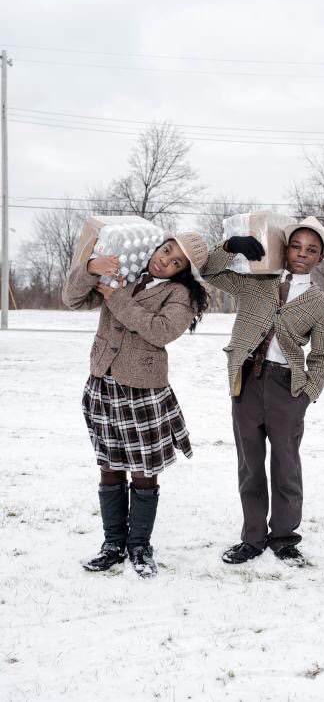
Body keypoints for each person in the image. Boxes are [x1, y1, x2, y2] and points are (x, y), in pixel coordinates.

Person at [63, 231, 209, 577]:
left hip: (143, 389)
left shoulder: (180, 295)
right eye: (167, 250)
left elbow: (158, 331)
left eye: (177, 263)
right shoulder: (124, 273)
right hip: (103, 381)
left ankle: (139, 546)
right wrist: (90, 267)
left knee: (144, 471)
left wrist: (116, 298)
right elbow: (72, 299)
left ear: (184, 272)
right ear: (159, 244)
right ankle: (112, 544)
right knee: (109, 465)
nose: (166, 260)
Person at [202, 216, 324, 567]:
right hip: (245, 380)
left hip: (286, 387)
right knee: (250, 464)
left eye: (311, 249)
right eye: (296, 246)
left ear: (320, 257)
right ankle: (253, 537)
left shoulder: (321, 305)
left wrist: (307, 394)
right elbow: (209, 272)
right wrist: (230, 247)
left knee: (286, 465)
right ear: (286, 248)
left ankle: (285, 538)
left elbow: (321, 356)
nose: (302, 254)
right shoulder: (257, 281)